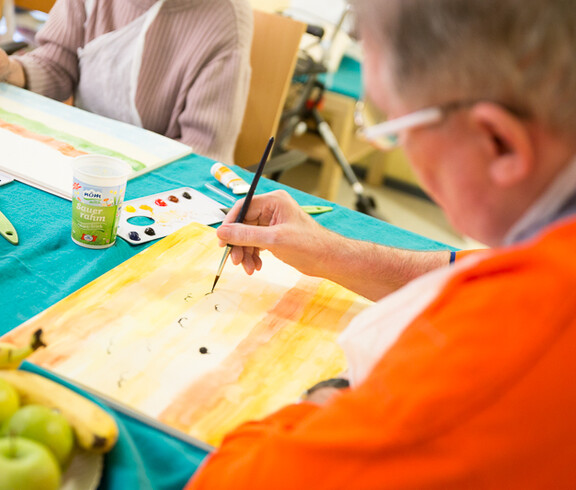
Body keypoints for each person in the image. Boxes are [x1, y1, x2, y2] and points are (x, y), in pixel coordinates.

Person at [186, 0, 576, 487]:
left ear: (498, 142)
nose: (397, 148)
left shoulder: (517, 336)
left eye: (394, 125)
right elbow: (477, 267)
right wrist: (329, 251)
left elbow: (230, 480)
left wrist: (333, 397)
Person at [0, 0, 253, 163]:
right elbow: (56, 66)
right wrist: (10, 69)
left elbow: (203, 152)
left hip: (158, 181)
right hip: (80, 158)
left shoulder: (226, 19)